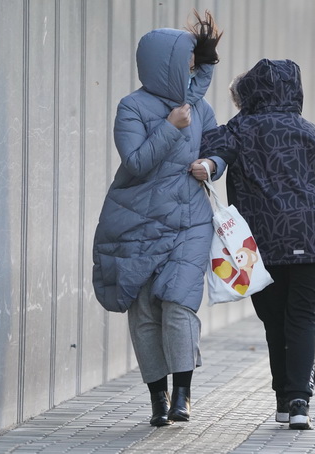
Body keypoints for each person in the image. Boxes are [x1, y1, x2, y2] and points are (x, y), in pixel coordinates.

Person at [92, 11, 224, 427]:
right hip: (139, 221)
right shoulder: (131, 107)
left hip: (190, 222)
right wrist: (169, 126)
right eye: (186, 61)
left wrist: (211, 164)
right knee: (145, 311)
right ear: (163, 64)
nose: (191, 68)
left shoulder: (201, 108)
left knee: (179, 302)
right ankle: (157, 396)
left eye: (194, 62)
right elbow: (135, 163)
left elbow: (219, 150)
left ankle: (183, 394)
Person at [197, 59, 315, 430]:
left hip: (260, 246)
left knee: (274, 322)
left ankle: (283, 399)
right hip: (310, 241)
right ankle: (299, 402)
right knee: (303, 320)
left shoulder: (239, 129)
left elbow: (203, 146)